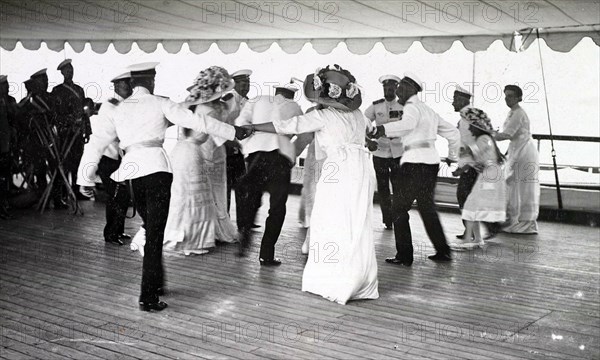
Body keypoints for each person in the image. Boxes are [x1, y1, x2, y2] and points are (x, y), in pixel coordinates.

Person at [77, 62, 252, 312]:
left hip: (132, 173)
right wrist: (233, 131)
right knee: (155, 234)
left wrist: (85, 177)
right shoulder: (161, 102)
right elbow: (199, 122)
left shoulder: (117, 108)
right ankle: (148, 296)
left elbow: (96, 142)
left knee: (151, 229)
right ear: (150, 81)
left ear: (133, 81)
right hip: (157, 170)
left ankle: (156, 282)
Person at [245, 64, 379, 305]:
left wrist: (253, 127)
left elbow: (286, 127)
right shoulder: (358, 115)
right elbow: (374, 133)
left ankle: (335, 278)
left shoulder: (322, 115)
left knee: (330, 219)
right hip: (361, 170)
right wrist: (367, 141)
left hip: (338, 168)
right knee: (356, 220)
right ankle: (359, 278)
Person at [369, 72, 460, 265]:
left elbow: (407, 124)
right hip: (431, 162)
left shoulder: (411, 107)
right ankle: (443, 251)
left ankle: (404, 255)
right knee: (427, 208)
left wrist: (382, 129)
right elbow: (453, 133)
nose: (397, 90)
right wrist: (452, 156)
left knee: (399, 209)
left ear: (410, 89)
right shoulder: (428, 110)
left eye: (400, 86)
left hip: (414, 163)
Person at [164, 66, 238, 255]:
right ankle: (193, 241)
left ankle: (183, 235)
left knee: (183, 195)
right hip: (195, 151)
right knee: (197, 196)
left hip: (179, 150)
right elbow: (220, 136)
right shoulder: (212, 111)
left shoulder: (187, 106)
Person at [234, 83, 303, 265]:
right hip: (280, 157)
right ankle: (266, 254)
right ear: (292, 95)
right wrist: (291, 153)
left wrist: (250, 145)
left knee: (252, 198)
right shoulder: (295, 106)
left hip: (257, 154)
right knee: (277, 207)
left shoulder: (257, 100)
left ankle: (245, 231)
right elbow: (303, 134)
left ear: (276, 91)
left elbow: (240, 125)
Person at [85, 71, 133, 245]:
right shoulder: (111, 105)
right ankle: (111, 234)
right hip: (108, 158)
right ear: (116, 86)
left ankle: (118, 231)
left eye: (129, 84)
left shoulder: (123, 104)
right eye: (125, 84)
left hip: (118, 158)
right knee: (115, 196)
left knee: (122, 196)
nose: (129, 87)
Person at [451, 108, 506, 250]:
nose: (468, 128)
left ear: (476, 127)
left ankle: (471, 240)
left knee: (471, 206)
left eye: (470, 125)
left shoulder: (483, 139)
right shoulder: (486, 139)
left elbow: (473, 154)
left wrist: (463, 154)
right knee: (472, 206)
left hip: (489, 177)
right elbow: (474, 160)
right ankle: (476, 239)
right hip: (489, 175)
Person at [495, 85, 540, 234]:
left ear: (518, 98)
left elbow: (508, 134)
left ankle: (523, 224)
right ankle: (513, 221)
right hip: (516, 150)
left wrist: (487, 134)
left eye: (510, 96)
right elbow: (511, 137)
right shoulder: (512, 112)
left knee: (521, 186)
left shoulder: (519, 113)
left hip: (524, 152)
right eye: (506, 95)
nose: (507, 99)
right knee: (513, 185)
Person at [364, 74, 404, 230]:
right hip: (380, 152)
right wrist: (368, 140)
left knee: (398, 187)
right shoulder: (376, 106)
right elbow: (362, 122)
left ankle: (398, 217)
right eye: (385, 87)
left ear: (396, 88)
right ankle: (388, 219)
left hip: (398, 153)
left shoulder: (404, 106)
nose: (387, 90)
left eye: (391, 87)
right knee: (382, 188)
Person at [51, 59, 89, 200]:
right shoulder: (57, 91)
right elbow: (55, 114)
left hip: (78, 132)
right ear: (62, 73)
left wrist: (87, 130)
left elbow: (84, 113)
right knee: (65, 162)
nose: (69, 73)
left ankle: (76, 190)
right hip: (65, 133)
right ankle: (64, 192)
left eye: (71, 70)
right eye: (67, 71)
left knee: (77, 162)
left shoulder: (80, 90)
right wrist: (69, 122)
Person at [223, 69, 252, 228]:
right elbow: (223, 123)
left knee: (243, 186)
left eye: (248, 83)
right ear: (234, 83)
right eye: (243, 83)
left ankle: (243, 222)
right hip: (228, 149)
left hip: (241, 150)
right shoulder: (229, 99)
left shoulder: (248, 101)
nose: (246, 86)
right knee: (225, 187)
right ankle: (225, 220)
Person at [0, 75, 16, 219]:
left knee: (5, 176)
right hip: (2, 145)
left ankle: (4, 205)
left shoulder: (8, 102)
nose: (8, 87)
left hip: (6, 145)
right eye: (4, 85)